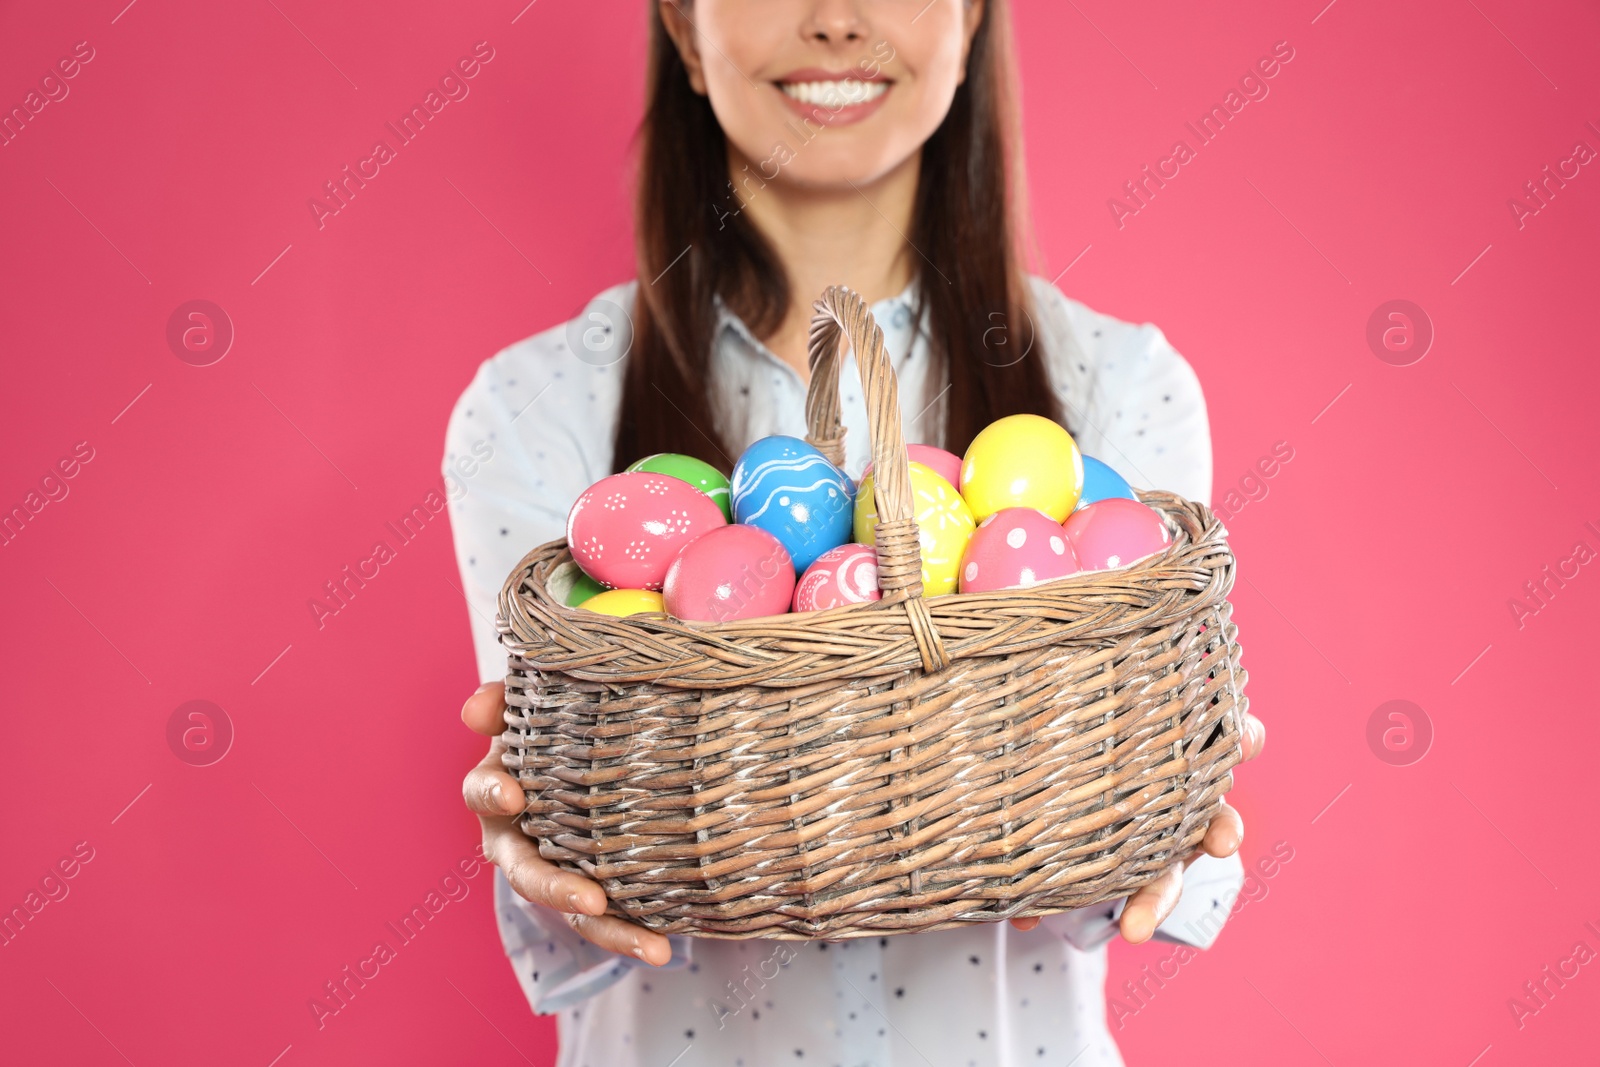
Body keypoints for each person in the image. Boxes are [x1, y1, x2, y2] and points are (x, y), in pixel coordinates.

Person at [447, 2, 1266, 1063]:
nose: (836, 19)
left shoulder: (1119, 384)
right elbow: (586, 885)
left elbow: (1112, 885)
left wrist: (1167, 795)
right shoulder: (534, 404)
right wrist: (539, 848)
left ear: (970, 21)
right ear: (686, 32)